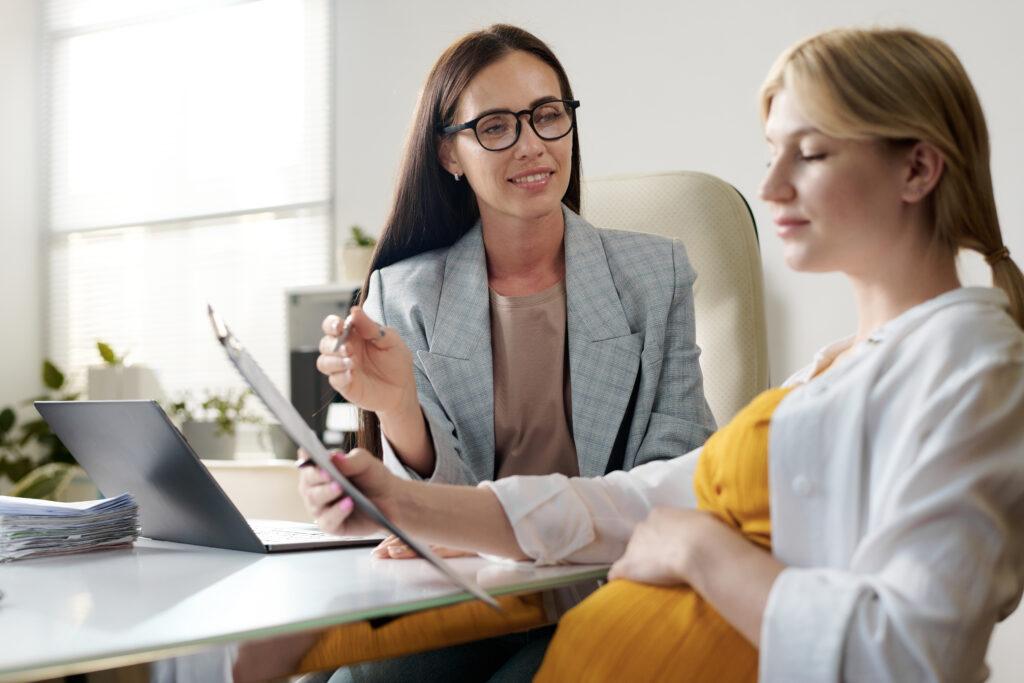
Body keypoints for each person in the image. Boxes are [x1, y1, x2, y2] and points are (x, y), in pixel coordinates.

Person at [300, 27, 1024, 682]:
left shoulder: (968, 361)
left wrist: (696, 550)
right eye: (772, 155)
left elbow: (907, 653)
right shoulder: (840, 365)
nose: (769, 189)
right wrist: (401, 497)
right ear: (450, 152)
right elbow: (636, 500)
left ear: (918, 170)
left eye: (811, 154)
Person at [309, 23, 715, 682]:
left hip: (606, 587)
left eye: (548, 117)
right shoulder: (404, 293)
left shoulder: (655, 274)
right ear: (449, 154)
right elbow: (430, 526)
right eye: (495, 127)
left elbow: (678, 473)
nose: (532, 145)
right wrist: (399, 407)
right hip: (467, 595)